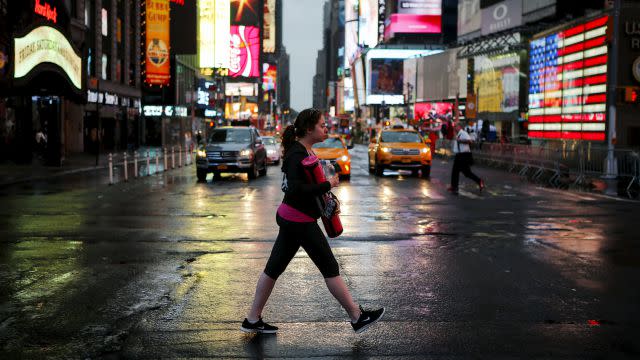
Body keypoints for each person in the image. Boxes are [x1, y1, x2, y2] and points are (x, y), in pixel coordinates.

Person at [241, 108, 385, 334]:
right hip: (300, 220)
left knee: (273, 269)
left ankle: (252, 319)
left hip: (293, 218)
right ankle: (357, 316)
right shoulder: (296, 154)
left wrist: (325, 177)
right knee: (329, 266)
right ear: (309, 129)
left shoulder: (304, 150)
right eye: (321, 125)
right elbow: (297, 189)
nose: (326, 128)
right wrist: (328, 185)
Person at [448, 122, 484, 195]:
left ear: (460, 127)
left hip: (463, 155)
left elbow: (470, 141)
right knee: (455, 171)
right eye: (454, 126)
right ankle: (454, 186)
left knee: (466, 173)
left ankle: (479, 181)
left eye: (456, 126)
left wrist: (460, 141)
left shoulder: (463, 133)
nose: (455, 128)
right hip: (459, 155)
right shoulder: (458, 134)